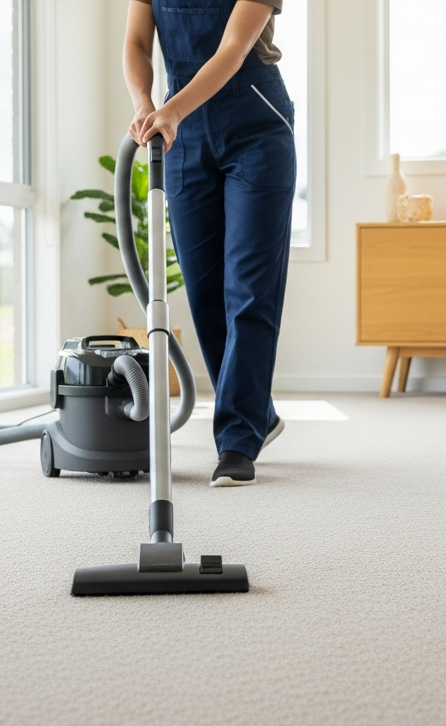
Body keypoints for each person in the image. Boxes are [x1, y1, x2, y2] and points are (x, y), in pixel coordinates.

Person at [123, 0, 295, 487]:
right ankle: (257, 412)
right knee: (203, 292)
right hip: (181, 135)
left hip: (257, 128)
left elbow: (234, 48)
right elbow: (137, 43)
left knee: (250, 288)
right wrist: (144, 106)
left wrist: (170, 110)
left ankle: (238, 440)